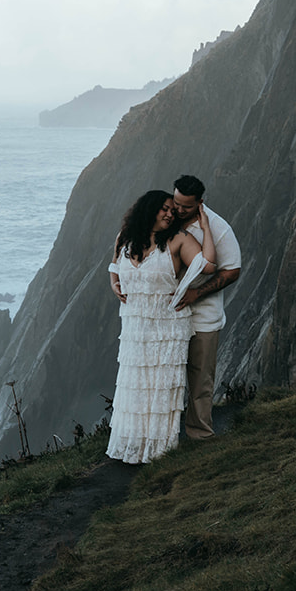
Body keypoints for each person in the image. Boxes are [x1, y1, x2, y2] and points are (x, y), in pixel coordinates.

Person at [106, 189, 216, 464]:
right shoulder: (126, 238)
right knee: (135, 386)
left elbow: (209, 266)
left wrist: (205, 227)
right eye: (163, 209)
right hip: (135, 326)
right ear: (149, 209)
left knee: (161, 389)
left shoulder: (179, 240)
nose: (170, 214)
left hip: (167, 328)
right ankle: (133, 445)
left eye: (172, 210)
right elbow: (114, 265)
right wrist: (113, 282)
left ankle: (158, 453)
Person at [168, 175, 241, 440]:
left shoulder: (218, 228)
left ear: (200, 202)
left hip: (203, 319)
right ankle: (164, 437)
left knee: (200, 381)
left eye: (185, 207)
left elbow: (232, 270)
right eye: (176, 202)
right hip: (168, 317)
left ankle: (200, 436)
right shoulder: (166, 219)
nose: (178, 210)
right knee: (166, 378)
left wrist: (197, 293)